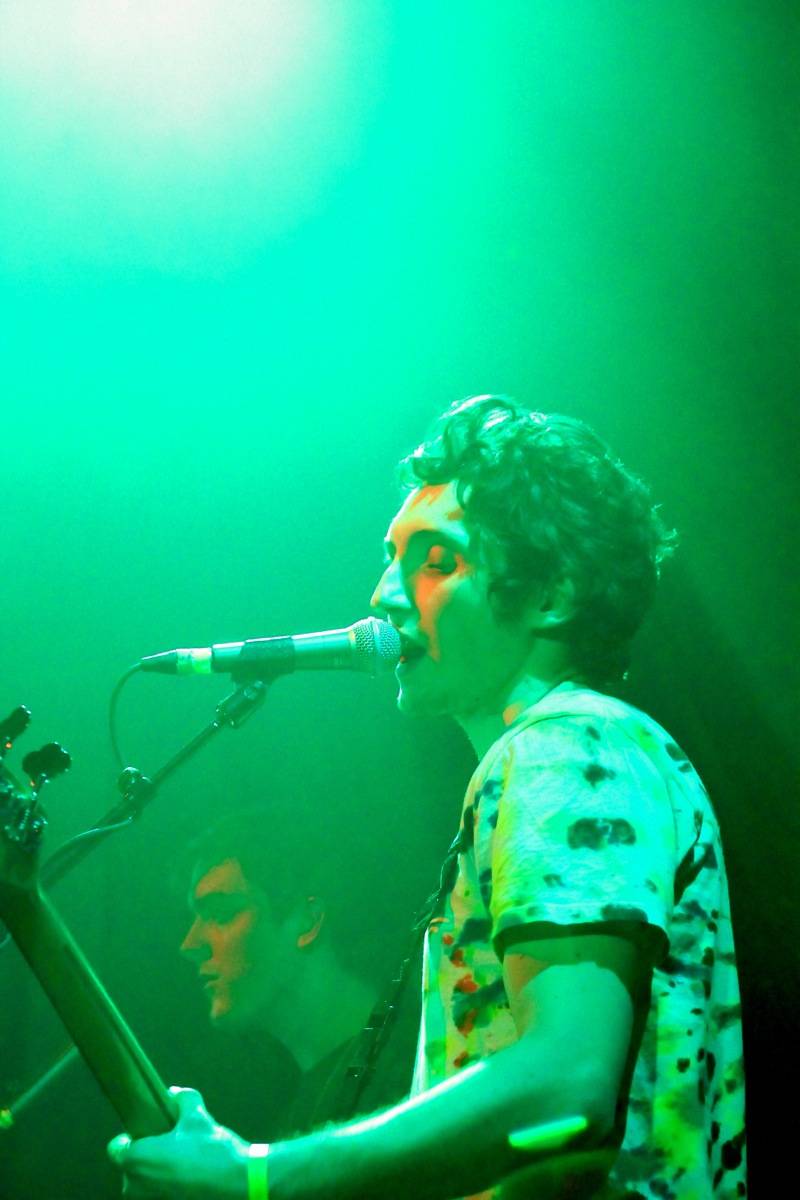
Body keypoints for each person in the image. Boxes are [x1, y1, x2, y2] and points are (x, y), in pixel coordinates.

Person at [109, 396, 746, 1199]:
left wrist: (256, 1177)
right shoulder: (575, 751)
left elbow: (569, 1084)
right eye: (391, 557)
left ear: (552, 593)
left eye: (436, 561)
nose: (385, 593)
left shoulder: (563, 747)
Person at [177, 810, 417, 1136]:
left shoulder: (429, 1044)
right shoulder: (298, 1118)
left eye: (221, 914)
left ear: (309, 919)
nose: (189, 944)